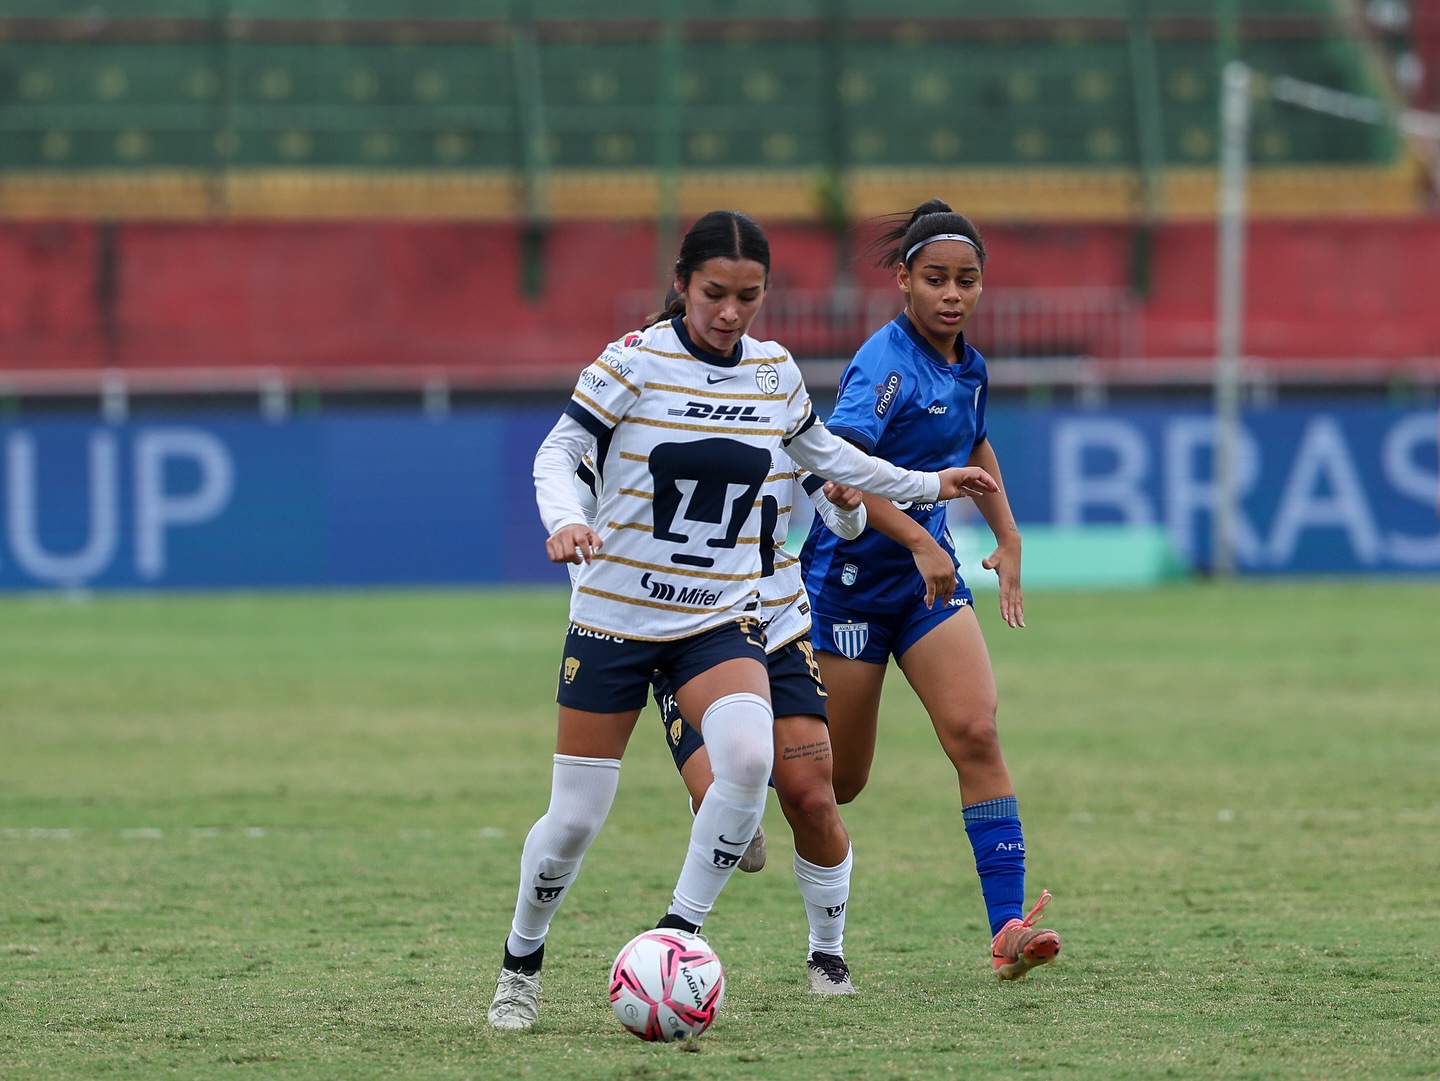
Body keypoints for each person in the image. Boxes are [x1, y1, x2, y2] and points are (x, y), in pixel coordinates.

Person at [487, 208, 1000, 1030]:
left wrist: (930, 486)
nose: (731, 313)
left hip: (720, 619)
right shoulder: (633, 361)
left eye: (749, 296)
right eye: (715, 294)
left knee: (755, 762)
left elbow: (832, 458)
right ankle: (522, 961)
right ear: (683, 284)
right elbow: (560, 450)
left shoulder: (772, 372)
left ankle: (677, 933)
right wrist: (565, 517)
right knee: (574, 820)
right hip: (617, 614)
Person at [799, 199, 1062, 982]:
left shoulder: (968, 367)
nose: (953, 294)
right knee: (839, 781)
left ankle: (1007, 927)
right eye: (937, 279)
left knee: (976, 732)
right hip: (850, 585)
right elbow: (838, 471)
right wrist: (917, 537)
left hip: (928, 584)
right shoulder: (883, 366)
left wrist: (1007, 534)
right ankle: (734, 784)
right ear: (904, 281)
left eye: (968, 280)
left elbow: (972, 440)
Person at [644, 451, 867, 995]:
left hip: (776, 626)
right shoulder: (654, 407)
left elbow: (847, 522)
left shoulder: (782, 412)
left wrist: (848, 507)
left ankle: (827, 954)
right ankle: (722, 817)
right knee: (725, 795)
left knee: (813, 798)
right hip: (686, 633)